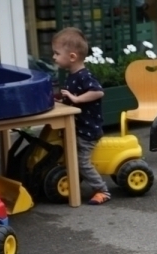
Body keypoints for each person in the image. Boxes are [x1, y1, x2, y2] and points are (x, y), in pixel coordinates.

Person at [52, 27, 111, 205]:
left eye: (57, 53)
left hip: (87, 131)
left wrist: (76, 99)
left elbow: (98, 92)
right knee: (70, 157)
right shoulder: (72, 76)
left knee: (81, 161)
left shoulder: (85, 76)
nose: (54, 57)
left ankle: (102, 190)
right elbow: (70, 96)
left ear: (72, 57)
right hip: (78, 128)